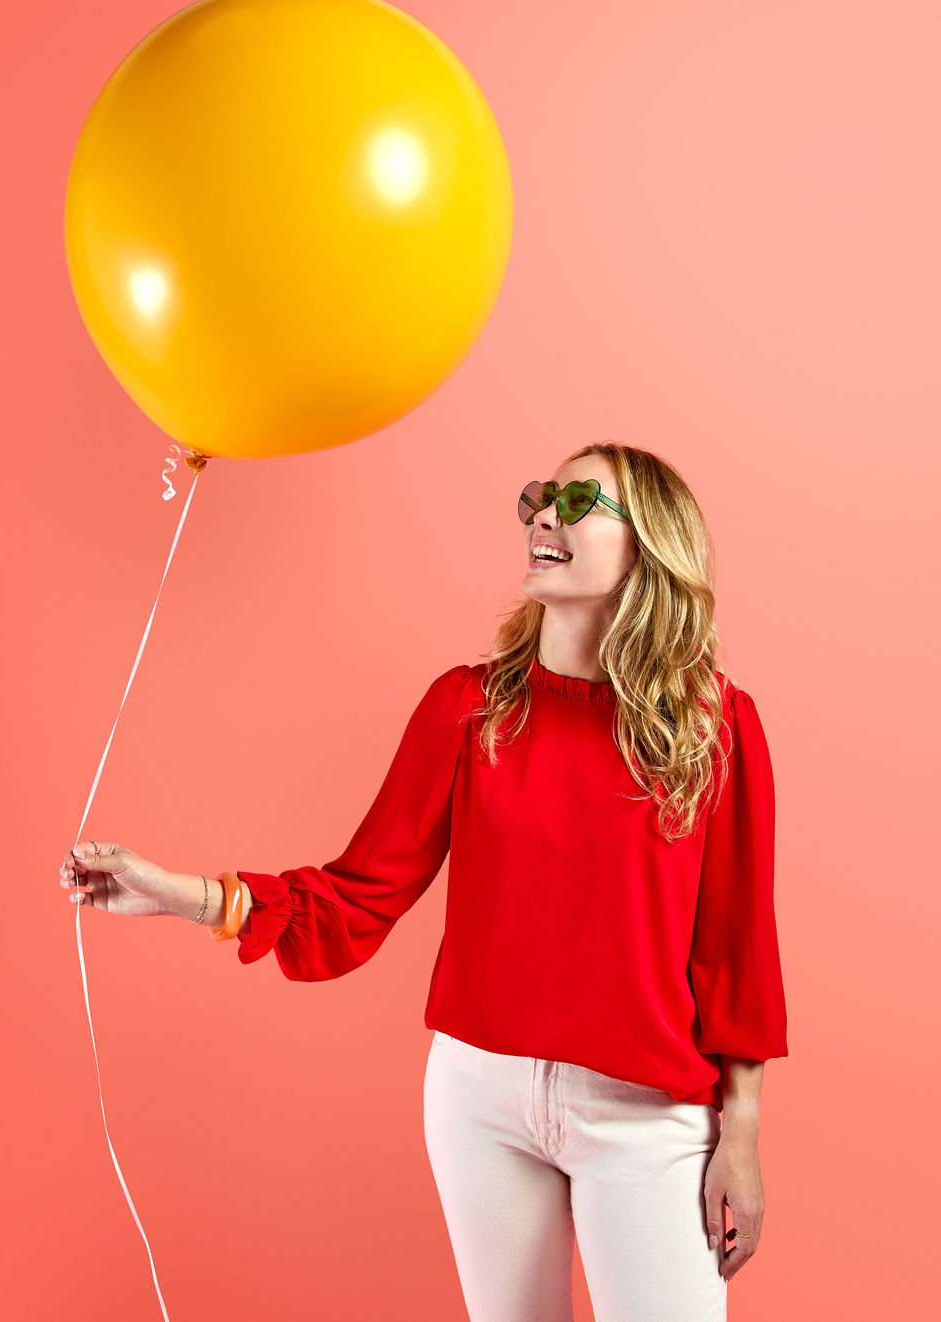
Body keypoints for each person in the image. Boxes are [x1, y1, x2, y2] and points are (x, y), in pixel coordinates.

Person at [58, 440, 788, 1322]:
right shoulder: (467, 710)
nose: (544, 513)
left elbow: (736, 945)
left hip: (645, 1115)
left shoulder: (719, 730)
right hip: (481, 1100)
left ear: (651, 547)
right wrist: (183, 894)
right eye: (539, 496)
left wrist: (739, 1129)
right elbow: (360, 892)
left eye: (578, 499)